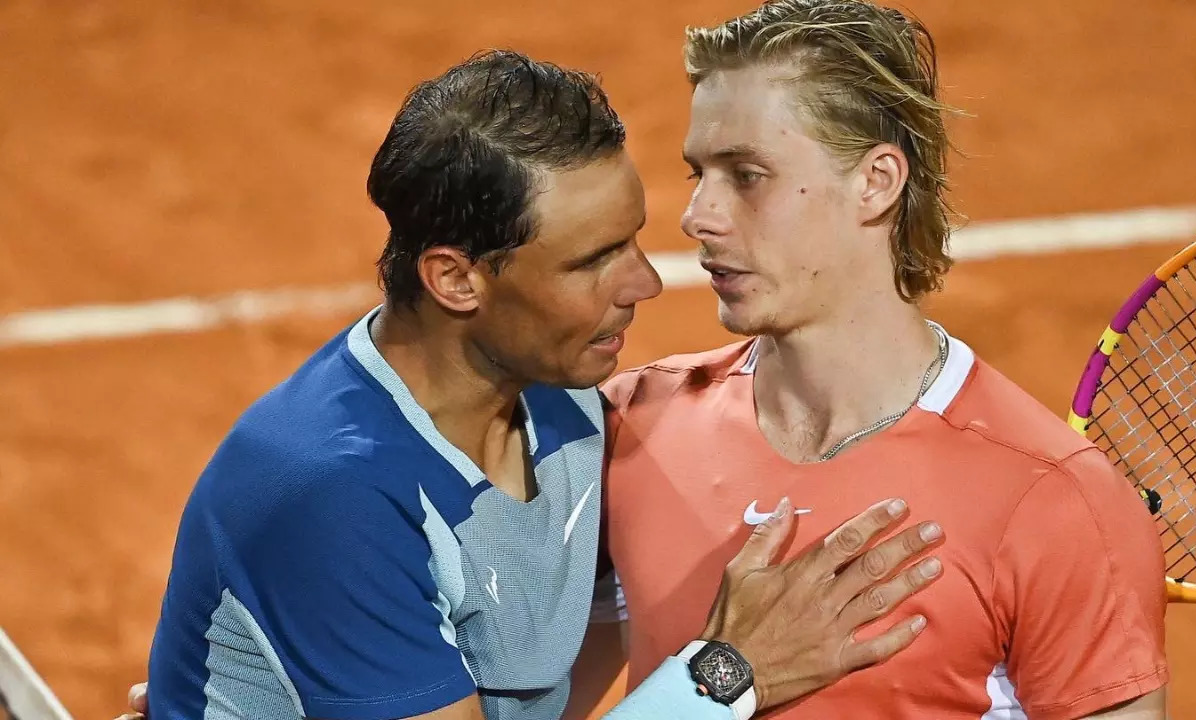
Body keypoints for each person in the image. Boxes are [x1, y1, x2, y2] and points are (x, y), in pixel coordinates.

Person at [125, 49, 945, 720]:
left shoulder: (569, 402)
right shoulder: (332, 493)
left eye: (630, 241)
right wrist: (726, 678)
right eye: (592, 262)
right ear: (456, 280)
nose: (644, 285)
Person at [596, 1, 1170, 718]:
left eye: (745, 175)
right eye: (697, 174)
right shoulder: (629, 431)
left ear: (876, 181)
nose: (698, 216)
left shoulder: (1051, 502)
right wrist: (721, 678)